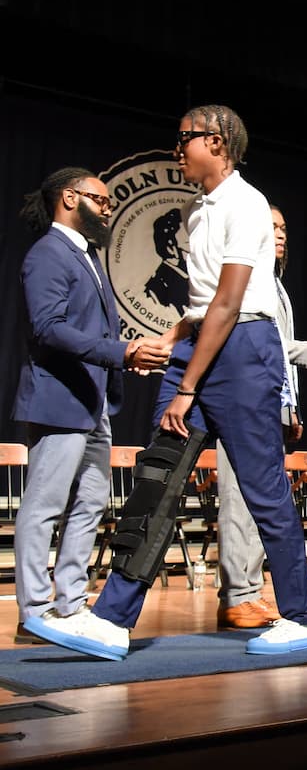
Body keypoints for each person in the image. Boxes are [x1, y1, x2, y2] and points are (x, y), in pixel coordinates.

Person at [28, 105, 307, 658]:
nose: (178, 149)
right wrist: (173, 340)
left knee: (262, 488)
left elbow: (230, 302)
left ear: (215, 142)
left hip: (241, 349)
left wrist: (188, 383)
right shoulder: (196, 210)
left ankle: (305, 617)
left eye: (184, 139)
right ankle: (113, 619)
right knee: (157, 479)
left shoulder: (247, 203)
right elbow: (201, 304)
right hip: (202, 342)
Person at [12, 168, 168, 643]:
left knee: (92, 502)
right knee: (45, 504)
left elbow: (93, 332)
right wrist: (120, 352)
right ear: (68, 197)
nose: (106, 209)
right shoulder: (48, 254)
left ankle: (71, 602)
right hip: (60, 399)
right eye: (99, 200)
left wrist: (123, 359)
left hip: (94, 400)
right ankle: (35, 611)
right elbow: (48, 327)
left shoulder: (88, 256)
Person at [214, 205, 307, 628]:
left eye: (283, 228)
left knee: (261, 502)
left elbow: (277, 353)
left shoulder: (273, 284)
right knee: (239, 501)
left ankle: (250, 593)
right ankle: (238, 595)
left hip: (267, 402)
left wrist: (288, 406)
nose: (279, 235)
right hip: (239, 398)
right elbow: (266, 345)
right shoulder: (246, 281)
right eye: (269, 227)